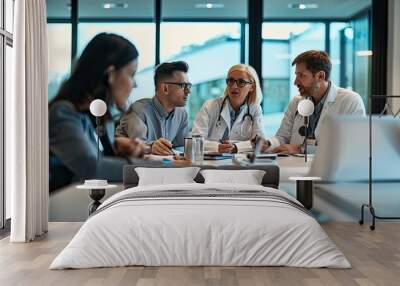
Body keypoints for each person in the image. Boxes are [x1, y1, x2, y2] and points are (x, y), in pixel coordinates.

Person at [49, 33, 144, 191]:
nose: (135, 84)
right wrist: (150, 169)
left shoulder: (99, 116)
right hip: (62, 208)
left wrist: (121, 150)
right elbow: (92, 168)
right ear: (110, 74)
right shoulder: (63, 113)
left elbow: (104, 160)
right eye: (131, 74)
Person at [264, 50, 366, 154]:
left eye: (302, 75)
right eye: (296, 75)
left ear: (320, 76)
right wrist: (268, 144)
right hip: (293, 166)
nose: (295, 82)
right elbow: (282, 137)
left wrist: (301, 149)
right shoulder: (296, 101)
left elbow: (353, 146)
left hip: (329, 168)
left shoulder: (350, 101)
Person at [115, 61, 190, 155]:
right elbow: (138, 147)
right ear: (165, 88)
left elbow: (180, 148)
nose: (188, 91)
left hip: (160, 167)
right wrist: (151, 147)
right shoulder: (138, 111)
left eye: (189, 85)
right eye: (183, 86)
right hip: (126, 166)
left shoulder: (182, 114)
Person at [191, 64, 264, 153]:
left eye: (241, 82)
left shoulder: (255, 109)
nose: (234, 86)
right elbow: (195, 141)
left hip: (241, 163)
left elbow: (260, 142)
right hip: (212, 162)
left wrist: (237, 147)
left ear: (252, 87)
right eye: (231, 81)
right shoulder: (210, 106)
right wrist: (217, 147)